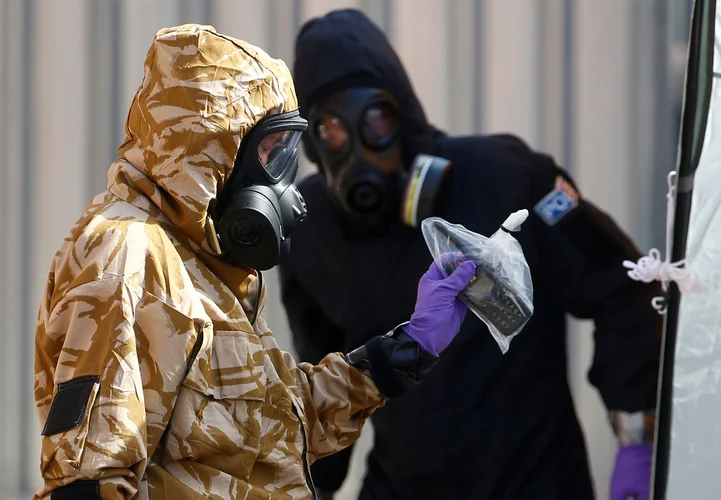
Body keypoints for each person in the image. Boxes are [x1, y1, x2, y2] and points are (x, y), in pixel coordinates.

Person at [33, 24, 476, 500]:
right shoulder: (126, 255)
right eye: (269, 151)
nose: (284, 179)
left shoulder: (201, 266)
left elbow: (286, 424)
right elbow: (88, 481)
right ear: (210, 150)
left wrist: (409, 347)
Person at [280, 9, 662, 500]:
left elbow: (621, 287)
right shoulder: (312, 234)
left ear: (406, 116)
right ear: (310, 143)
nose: (354, 149)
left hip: (535, 485)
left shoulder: (509, 178)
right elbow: (327, 388)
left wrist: (638, 438)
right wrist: (307, 488)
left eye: (374, 121)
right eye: (328, 130)